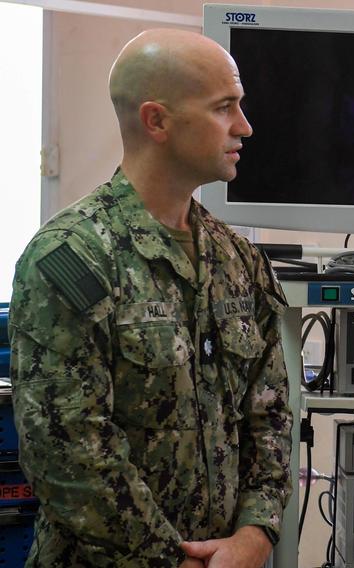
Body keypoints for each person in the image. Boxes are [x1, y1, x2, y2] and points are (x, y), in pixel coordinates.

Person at [9, 29, 293, 567]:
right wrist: (172, 560)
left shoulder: (238, 260)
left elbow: (271, 414)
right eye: (224, 108)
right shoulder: (73, 259)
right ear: (156, 121)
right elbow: (67, 452)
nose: (245, 127)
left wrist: (256, 535)